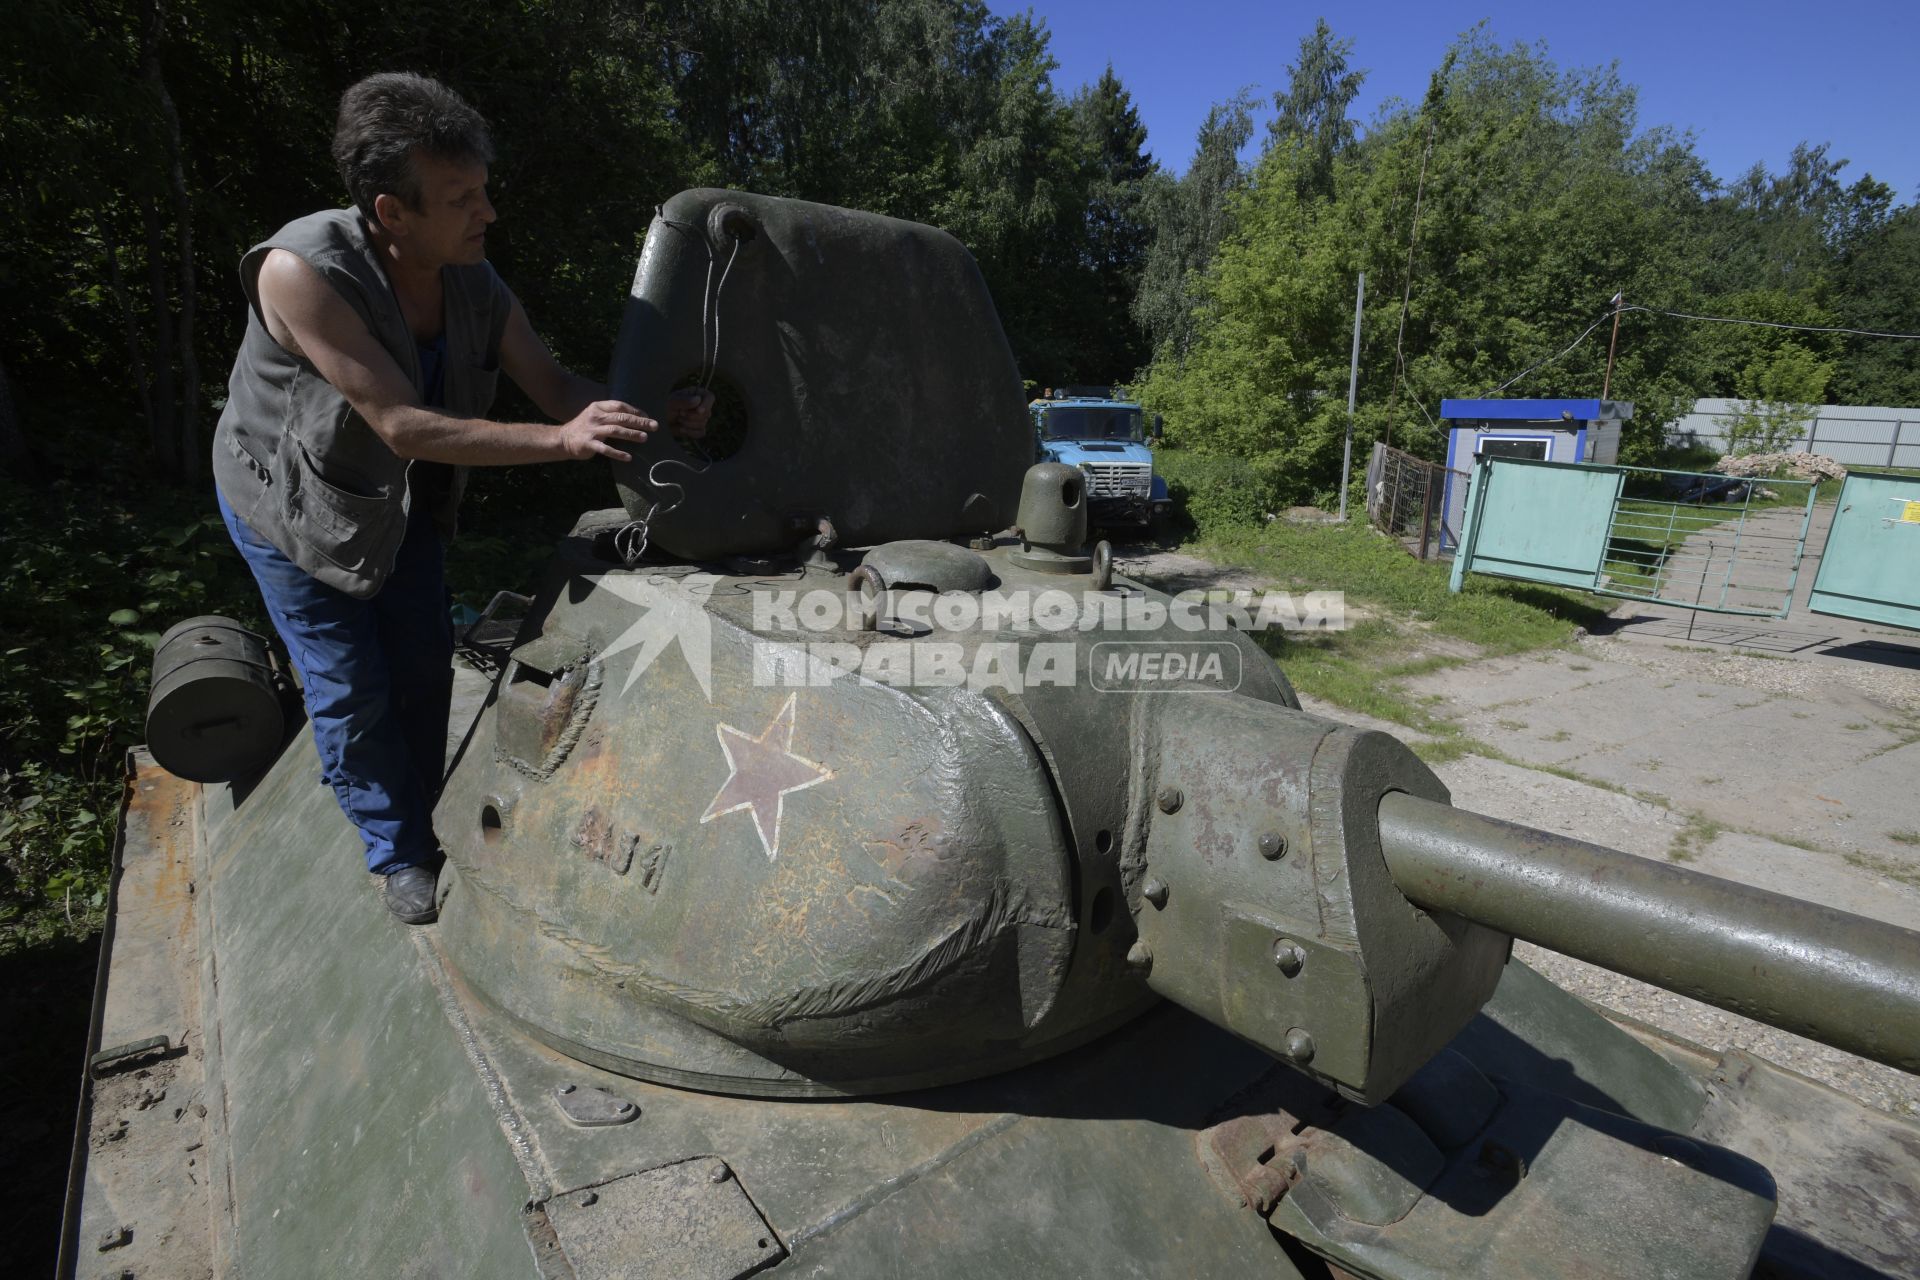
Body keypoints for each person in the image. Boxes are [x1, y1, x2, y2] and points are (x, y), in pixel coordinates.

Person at [211, 72, 710, 924]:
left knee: (421, 660)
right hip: (291, 509)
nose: (487, 214)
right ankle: (397, 851)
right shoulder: (302, 272)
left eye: (483, 190)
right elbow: (403, 423)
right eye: (460, 198)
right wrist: (563, 444)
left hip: (397, 504)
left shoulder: (473, 280)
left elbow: (555, 387)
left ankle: (426, 807)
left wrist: (653, 420)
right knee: (348, 686)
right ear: (391, 211)